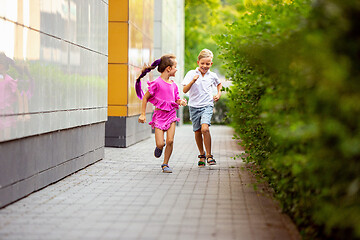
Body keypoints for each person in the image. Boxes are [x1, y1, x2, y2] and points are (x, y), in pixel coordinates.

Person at [136, 54, 187, 173]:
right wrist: (143, 114)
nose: (177, 69)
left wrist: (181, 101)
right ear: (168, 68)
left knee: (170, 141)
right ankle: (159, 147)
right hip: (159, 117)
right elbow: (145, 98)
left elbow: (176, 99)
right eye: (175, 66)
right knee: (160, 143)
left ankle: (165, 164)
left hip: (171, 115)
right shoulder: (157, 83)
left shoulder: (174, 85)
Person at [181, 49, 222, 167]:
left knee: (205, 129)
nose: (205, 66)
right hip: (193, 106)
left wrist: (218, 94)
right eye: (202, 63)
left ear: (211, 64)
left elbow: (219, 84)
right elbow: (184, 90)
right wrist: (192, 81)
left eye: (207, 64)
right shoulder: (191, 73)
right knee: (198, 131)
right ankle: (201, 154)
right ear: (198, 62)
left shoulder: (212, 75)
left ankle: (209, 155)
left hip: (207, 105)